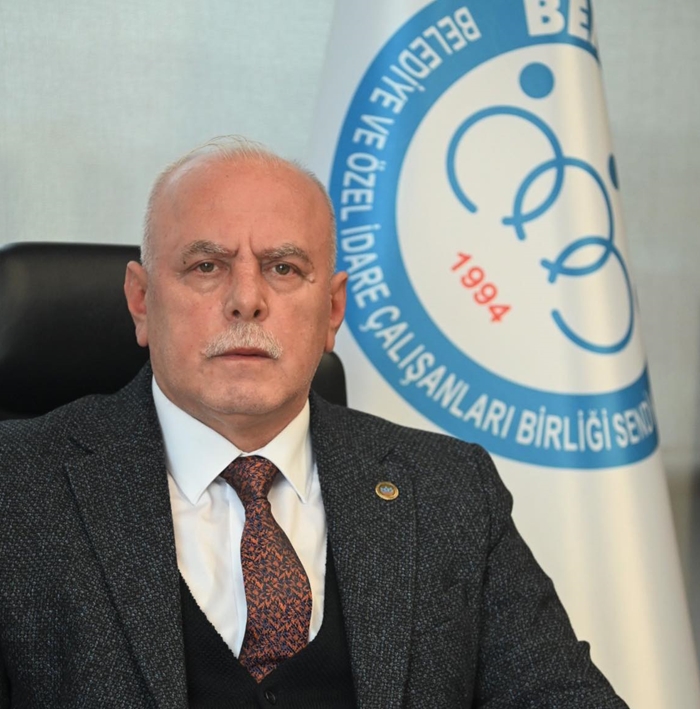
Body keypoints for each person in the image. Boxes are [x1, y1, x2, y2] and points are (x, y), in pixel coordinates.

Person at [0, 137, 628, 708]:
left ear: (332, 311)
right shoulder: (17, 489)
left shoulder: (450, 490)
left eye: (283, 268)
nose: (247, 300)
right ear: (141, 302)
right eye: (207, 266)